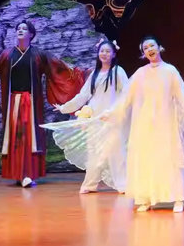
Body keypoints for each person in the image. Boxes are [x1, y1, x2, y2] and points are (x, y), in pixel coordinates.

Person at [44, 35, 184, 212]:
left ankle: (177, 198)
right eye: (145, 48)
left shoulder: (170, 71)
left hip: (165, 122)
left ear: (160, 48)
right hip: (144, 124)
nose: (149, 49)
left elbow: (183, 95)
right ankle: (146, 198)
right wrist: (110, 113)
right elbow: (125, 98)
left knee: (168, 158)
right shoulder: (140, 74)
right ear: (143, 54)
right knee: (146, 159)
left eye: (152, 46)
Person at [0, 20, 84, 187]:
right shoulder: (6, 55)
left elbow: (60, 68)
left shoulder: (39, 55)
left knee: (29, 137)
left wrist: (82, 75)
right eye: (18, 28)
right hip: (13, 102)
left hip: (31, 102)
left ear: (31, 34)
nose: (20, 30)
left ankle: (27, 173)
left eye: (24, 29)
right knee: (16, 137)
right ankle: (19, 173)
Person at [52, 38, 129, 194]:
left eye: (108, 51)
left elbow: (127, 94)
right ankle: (90, 184)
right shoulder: (95, 73)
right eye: (102, 51)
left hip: (112, 118)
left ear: (114, 54)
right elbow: (83, 96)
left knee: (116, 151)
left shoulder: (118, 71)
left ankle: (122, 184)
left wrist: (114, 111)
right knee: (94, 152)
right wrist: (64, 108)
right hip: (95, 118)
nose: (104, 54)